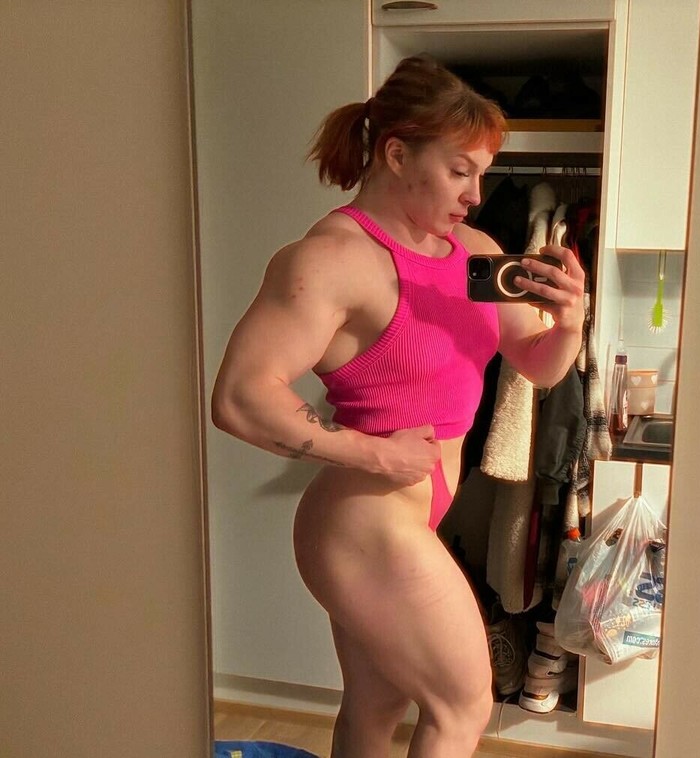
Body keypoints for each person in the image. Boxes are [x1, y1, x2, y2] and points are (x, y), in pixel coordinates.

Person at [211, 55, 585, 758]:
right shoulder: (330, 259)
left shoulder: (472, 252)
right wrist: (374, 453)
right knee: (463, 706)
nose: (476, 194)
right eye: (460, 171)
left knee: (376, 704)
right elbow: (240, 397)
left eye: (483, 173)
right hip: (363, 518)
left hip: (415, 509)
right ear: (395, 153)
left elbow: (536, 365)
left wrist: (568, 323)